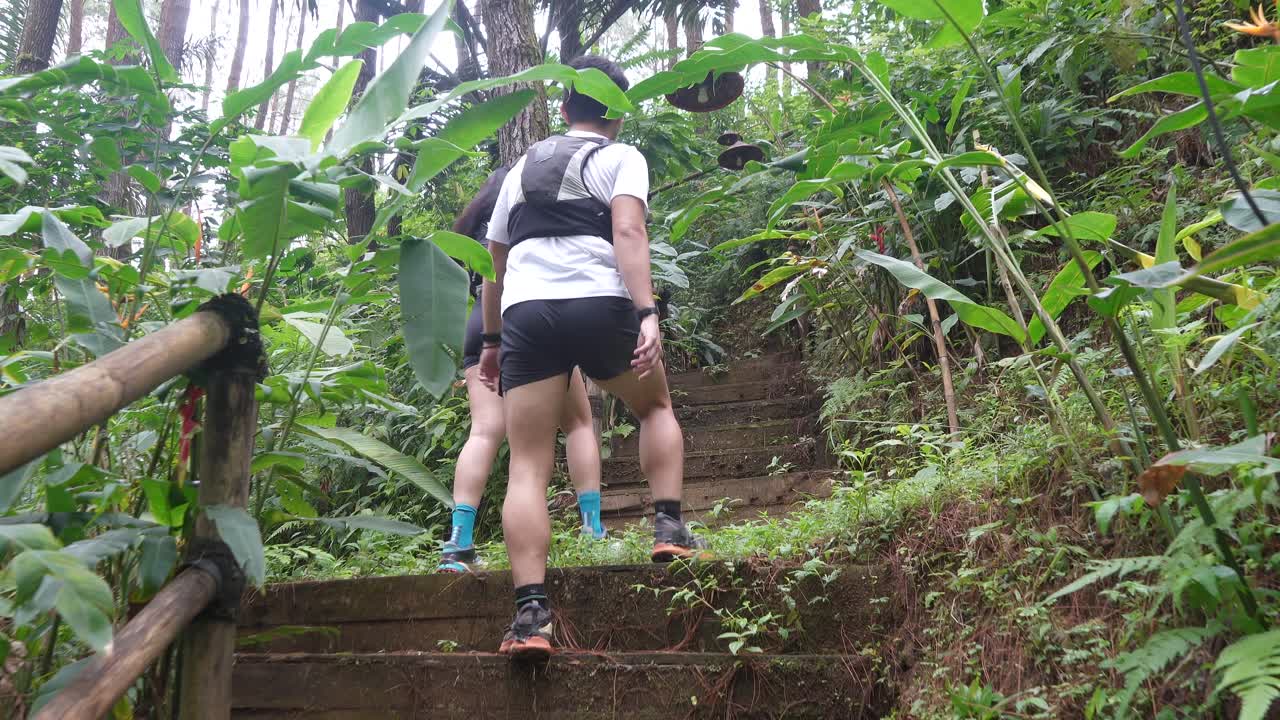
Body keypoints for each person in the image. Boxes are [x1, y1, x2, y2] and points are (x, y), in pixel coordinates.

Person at [478, 54, 705, 659]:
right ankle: (667, 526)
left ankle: (530, 617)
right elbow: (628, 233)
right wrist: (647, 311)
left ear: (562, 109)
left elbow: (492, 266)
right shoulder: (620, 157)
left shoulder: (521, 166)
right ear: (617, 116)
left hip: (527, 312)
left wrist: (493, 341)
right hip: (599, 301)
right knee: (654, 407)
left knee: (527, 463)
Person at [437, 168, 607, 575]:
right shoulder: (536, 210)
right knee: (579, 422)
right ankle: (593, 528)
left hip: (480, 318)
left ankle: (458, 543)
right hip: (526, 313)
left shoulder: (475, 224)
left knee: (483, 431)